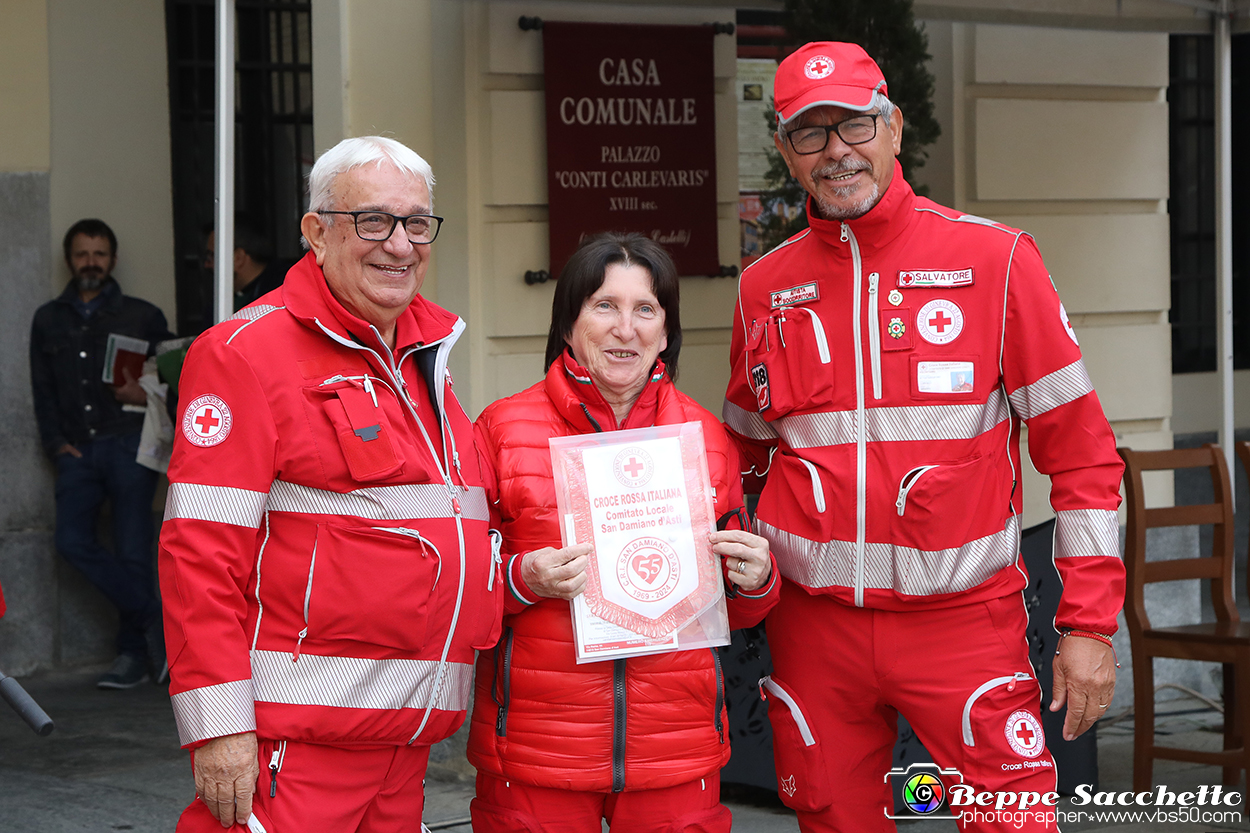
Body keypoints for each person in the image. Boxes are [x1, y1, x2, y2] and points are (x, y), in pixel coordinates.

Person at [722, 43, 1125, 831]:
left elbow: (1081, 453)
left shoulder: (997, 260)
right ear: (786, 152)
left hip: (965, 627)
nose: (838, 150)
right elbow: (736, 457)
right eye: (811, 133)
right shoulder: (762, 287)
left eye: (856, 125)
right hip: (815, 629)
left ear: (894, 126)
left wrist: (1088, 624)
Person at [159, 136, 502, 831]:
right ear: (316, 232)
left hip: (403, 745)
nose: (400, 245)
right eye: (372, 221)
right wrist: (219, 727)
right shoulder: (244, 355)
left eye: (415, 223)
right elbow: (200, 555)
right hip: (299, 749)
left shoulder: (421, 355)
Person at [467, 232, 780, 832]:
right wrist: (521, 579)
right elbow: (463, 589)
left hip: (675, 750)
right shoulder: (502, 431)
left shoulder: (708, 440)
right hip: (538, 750)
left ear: (666, 332)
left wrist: (754, 581)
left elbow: (737, 613)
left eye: (646, 309)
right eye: (604, 305)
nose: (625, 327)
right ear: (569, 324)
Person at [29, 218, 174, 689]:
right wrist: (55, 444)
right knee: (71, 541)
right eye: (81, 254)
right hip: (77, 449)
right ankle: (157, 619)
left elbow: (176, 375)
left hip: (130, 445)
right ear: (69, 260)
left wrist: (144, 391)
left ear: (112, 259)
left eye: (99, 254)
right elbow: (42, 389)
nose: (90, 262)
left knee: (133, 550)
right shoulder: (48, 318)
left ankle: (132, 656)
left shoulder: (142, 315)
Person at [203, 221, 288, 312]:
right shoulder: (222, 299)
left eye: (212, 256)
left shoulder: (282, 293)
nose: (206, 264)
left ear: (238, 258)